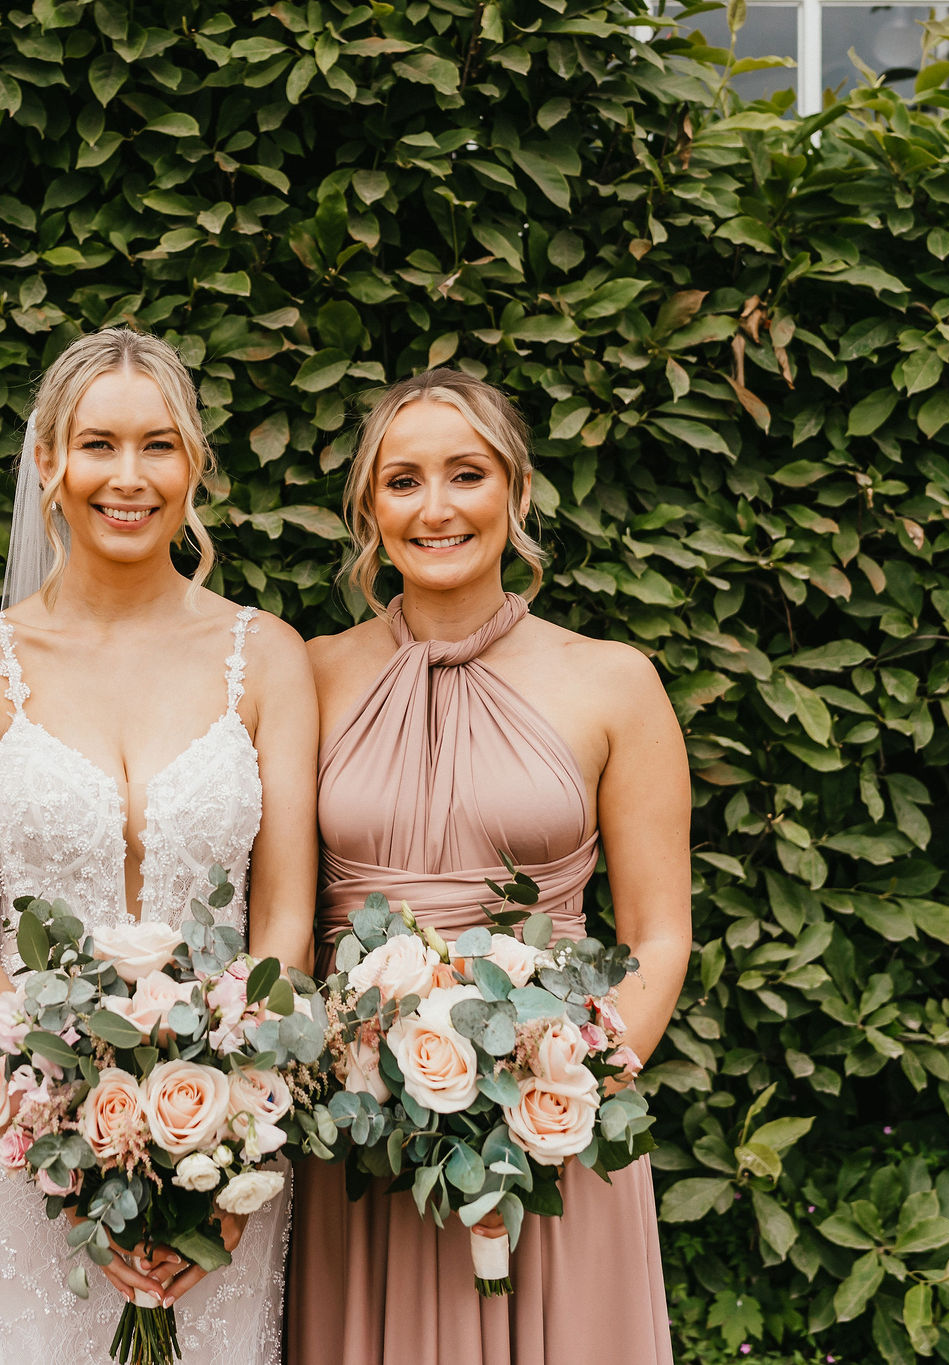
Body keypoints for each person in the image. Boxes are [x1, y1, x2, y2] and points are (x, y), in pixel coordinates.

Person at [0, 327, 319, 1364]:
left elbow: (282, 926)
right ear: (47, 463)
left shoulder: (266, 655)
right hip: (18, 1143)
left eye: (158, 446)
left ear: (193, 467)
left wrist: (231, 1128)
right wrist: (66, 1146)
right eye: (98, 445)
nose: (128, 477)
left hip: (223, 1147)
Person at [288, 367, 688, 1364]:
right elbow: (281, 922)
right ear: (368, 510)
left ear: (513, 492)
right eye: (402, 481)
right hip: (366, 1130)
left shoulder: (612, 682)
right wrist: (341, 1079)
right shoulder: (310, 673)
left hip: (555, 1126)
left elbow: (657, 931)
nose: (434, 508)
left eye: (463, 475)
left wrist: (562, 1091)